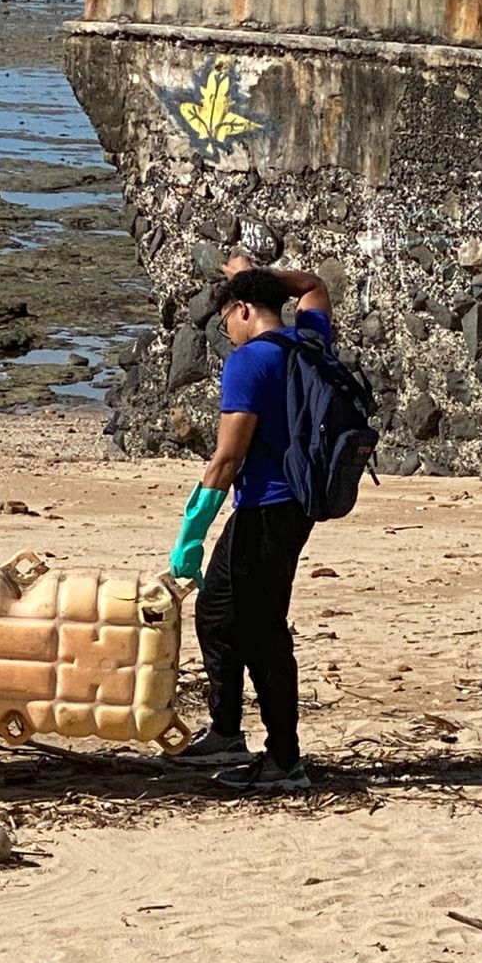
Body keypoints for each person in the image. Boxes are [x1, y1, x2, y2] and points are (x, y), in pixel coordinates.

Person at [168, 255, 333, 793]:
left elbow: (227, 459)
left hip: (267, 506)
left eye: (226, 323)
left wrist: (189, 537)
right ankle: (225, 731)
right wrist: (250, 274)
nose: (227, 335)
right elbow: (313, 284)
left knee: (262, 631)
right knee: (217, 611)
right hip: (297, 504)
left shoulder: (249, 362)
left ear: (241, 311)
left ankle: (285, 759)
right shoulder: (310, 340)